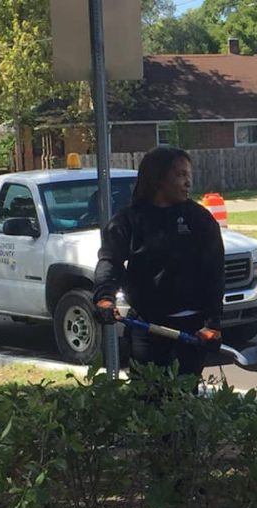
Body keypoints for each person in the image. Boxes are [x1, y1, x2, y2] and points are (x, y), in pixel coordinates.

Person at [93, 146, 225, 378]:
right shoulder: (128, 221)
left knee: (184, 398)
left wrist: (212, 323)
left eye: (189, 175)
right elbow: (110, 262)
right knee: (146, 399)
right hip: (147, 328)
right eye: (180, 175)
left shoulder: (200, 219)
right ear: (158, 179)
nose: (188, 183)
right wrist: (105, 298)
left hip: (192, 330)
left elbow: (214, 273)